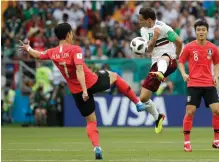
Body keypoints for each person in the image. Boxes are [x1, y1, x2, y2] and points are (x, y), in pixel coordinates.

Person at [18, 23, 146, 160]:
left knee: (91, 122)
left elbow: (39, 55)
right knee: (114, 77)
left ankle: (97, 147)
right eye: (72, 33)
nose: (72, 35)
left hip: (76, 92)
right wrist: (85, 90)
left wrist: (28, 48)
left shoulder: (52, 52)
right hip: (91, 82)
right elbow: (79, 70)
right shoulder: (75, 49)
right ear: (68, 35)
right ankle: (137, 102)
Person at [178, 20, 219, 152]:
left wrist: (215, 76)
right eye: (198, 30)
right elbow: (180, 62)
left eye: (203, 30)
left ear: (207, 31)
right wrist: (184, 74)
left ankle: (217, 140)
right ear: (195, 32)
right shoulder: (188, 47)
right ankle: (187, 142)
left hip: (209, 84)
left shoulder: (213, 48)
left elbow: (216, 63)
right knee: (190, 112)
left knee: (217, 110)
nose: (201, 32)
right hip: (193, 84)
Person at [138, 7, 183, 134]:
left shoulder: (164, 28)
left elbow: (179, 41)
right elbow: (150, 49)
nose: (139, 21)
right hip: (155, 64)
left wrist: (177, 55)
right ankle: (158, 117)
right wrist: (146, 47)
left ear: (148, 20)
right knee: (143, 97)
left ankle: (161, 73)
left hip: (170, 60)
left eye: (141, 19)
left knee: (164, 58)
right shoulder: (143, 31)